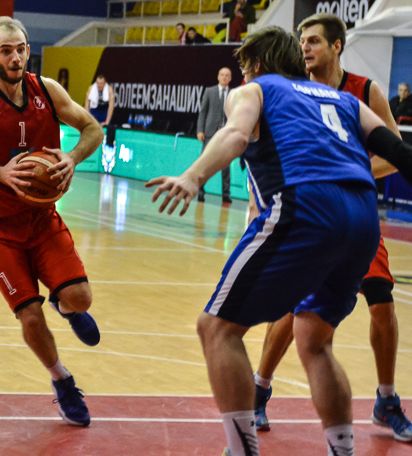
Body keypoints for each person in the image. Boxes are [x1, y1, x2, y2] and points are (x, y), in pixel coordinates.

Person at [145, 24, 412, 456]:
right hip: (363, 218)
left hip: (306, 206)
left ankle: (242, 450)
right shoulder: (344, 99)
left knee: (216, 328)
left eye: (245, 66)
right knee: (315, 342)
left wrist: (194, 176)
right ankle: (342, 450)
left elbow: (235, 134)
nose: (243, 74)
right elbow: (398, 152)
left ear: (256, 64)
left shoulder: (255, 90)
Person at [252, 14, 412, 443]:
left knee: (382, 304)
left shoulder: (364, 91)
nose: (305, 48)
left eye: (314, 41)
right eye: (302, 42)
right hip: (310, 216)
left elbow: (395, 151)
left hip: (355, 214)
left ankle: (386, 400)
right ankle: (259, 389)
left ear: (337, 46)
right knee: (291, 308)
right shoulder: (293, 89)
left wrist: (351, 169)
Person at [0, 16, 103, 427]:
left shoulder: (47, 90)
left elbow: (92, 129)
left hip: (40, 218)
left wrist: (72, 158)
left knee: (81, 298)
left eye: (21, 49)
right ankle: (62, 381)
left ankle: (65, 305)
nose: (15, 58)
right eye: (6, 51)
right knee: (29, 314)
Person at [196, 68, 232, 203]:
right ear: (218, 77)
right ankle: (200, 191)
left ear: (230, 78)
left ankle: (226, 195)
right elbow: (203, 112)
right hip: (210, 133)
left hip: (226, 133)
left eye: (227, 75)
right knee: (204, 163)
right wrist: (200, 130)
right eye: (222, 75)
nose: (224, 77)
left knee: (226, 166)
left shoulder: (233, 93)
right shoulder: (209, 91)